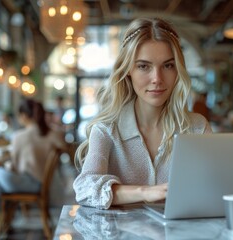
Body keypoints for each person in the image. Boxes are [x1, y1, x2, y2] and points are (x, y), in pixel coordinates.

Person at [73, 17, 212, 210]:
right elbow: (85, 188)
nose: (157, 78)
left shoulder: (197, 127)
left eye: (168, 65)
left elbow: (214, 186)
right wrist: (145, 192)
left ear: (178, 70)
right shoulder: (106, 130)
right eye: (143, 66)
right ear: (128, 70)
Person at [0, 98, 66, 225]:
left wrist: (7, 165)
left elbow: (13, 167)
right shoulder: (51, 133)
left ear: (23, 115)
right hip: (46, 183)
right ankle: (3, 218)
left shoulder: (19, 136)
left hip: (30, 183)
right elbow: (62, 146)